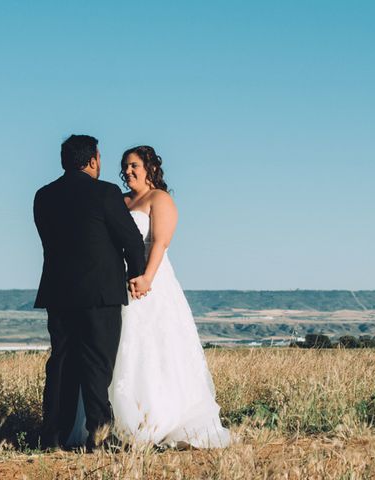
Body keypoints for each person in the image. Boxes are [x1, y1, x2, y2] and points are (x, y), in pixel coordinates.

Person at [65, 145, 231, 449]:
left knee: (155, 349)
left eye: (134, 166)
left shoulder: (160, 199)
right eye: (125, 166)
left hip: (151, 281)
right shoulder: (120, 200)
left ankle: (157, 419)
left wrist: (147, 278)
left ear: (150, 167)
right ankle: (112, 424)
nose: (128, 171)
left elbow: (159, 242)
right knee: (117, 350)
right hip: (119, 284)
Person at [33, 135, 149, 451]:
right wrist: (136, 273)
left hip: (58, 293)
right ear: (94, 159)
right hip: (100, 293)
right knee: (97, 365)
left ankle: (52, 435)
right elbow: (131, 240)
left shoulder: (43, 196)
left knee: (60, 364)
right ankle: (99, 437)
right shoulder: (105, 193)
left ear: (64, 161)